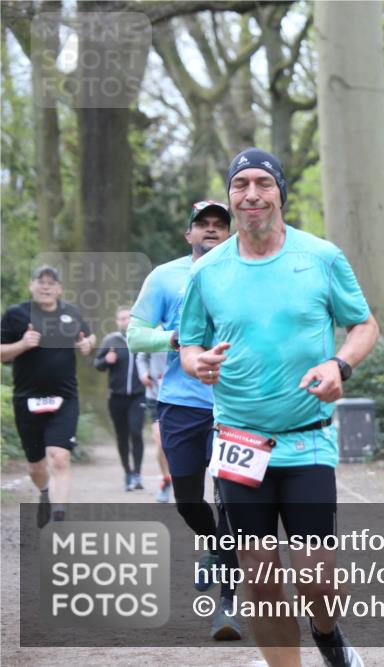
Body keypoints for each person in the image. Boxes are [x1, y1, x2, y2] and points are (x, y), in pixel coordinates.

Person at [179, 148, 378, 667]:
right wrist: (197, 363)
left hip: (307, 435)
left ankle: (327, 632)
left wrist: (340, 365)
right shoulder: (207, 272)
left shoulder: (321, 257)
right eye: (240, 184)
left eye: (262, 183)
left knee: (317, 574)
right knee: (260, 571)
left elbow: (364, 325)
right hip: (239, 441)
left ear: (280, 192)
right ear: (230, 195)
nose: (250, 194)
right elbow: (189, 343)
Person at [127, 199, 242, 641]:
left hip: (235, 404)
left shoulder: (244, 273)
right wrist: (173, 338)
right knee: (188, 498)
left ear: (229, 233)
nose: (211, 230)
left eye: (219, 224)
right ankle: (214, 545)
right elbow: (136, 333)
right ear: (189, 234)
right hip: (181, 404)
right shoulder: (165, 277)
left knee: (232, 499)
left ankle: (226, 605)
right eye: (203, 224)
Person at [1, 265, 96, 527]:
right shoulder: (15, 315)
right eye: (40, 282)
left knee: (60, 456)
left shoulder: (71, 313)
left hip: (64, 399)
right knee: (36, 467)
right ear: (31, 286)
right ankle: (45, 493)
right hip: (26, 399)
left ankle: (59, 520)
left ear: (59, 288)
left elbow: (88, 337)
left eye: (51, 282)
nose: (46, 286)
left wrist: (88, 343)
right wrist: (23, 344)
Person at [94, 306, 146, 492]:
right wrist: (106, 360)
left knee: (136, 431)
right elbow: (97, 365)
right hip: (116, 397)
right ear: (117, 321)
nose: (125, 321)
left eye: (128, 318)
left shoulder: (141, 339)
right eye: (121, 318)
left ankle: (138, 474)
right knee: (122, 436)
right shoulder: (111, 340)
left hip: (138, 396)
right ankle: (128, 472)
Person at [136, 351, 172, 502]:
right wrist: (144, 373)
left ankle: (184, 479)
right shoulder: (153, 330)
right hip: (155, 394)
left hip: (180, 395)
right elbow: (141, 356)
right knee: (160, 440)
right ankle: (166, 480)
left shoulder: (184, 330)